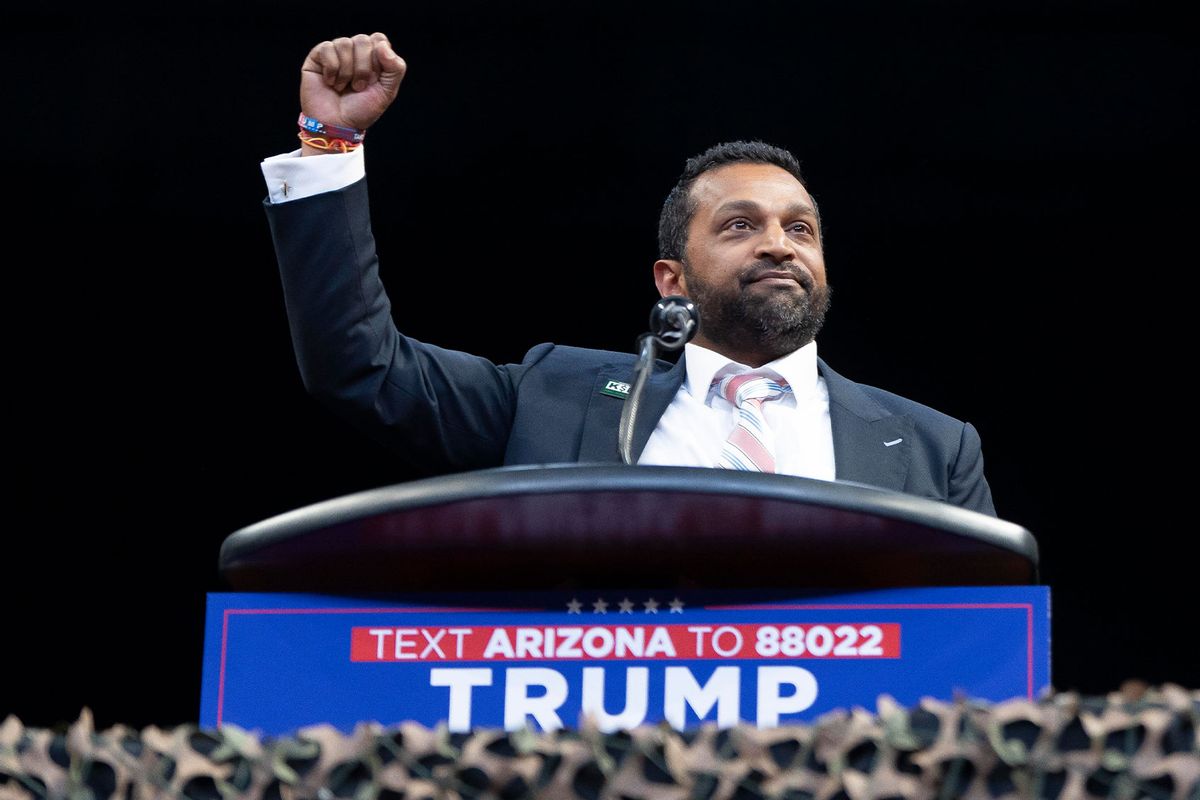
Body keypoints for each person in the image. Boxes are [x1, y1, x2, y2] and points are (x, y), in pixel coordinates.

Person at [261, 32, 996, 516]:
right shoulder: (551, 397)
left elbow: (984, 636)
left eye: (799, 228)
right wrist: (330, 143)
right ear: (669, 280)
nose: (779, 244)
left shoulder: (933, 447)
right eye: (740, 225)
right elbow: (359, 363)